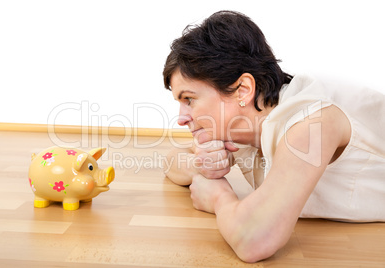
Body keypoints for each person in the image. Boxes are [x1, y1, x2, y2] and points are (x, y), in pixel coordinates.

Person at [162, 10, 385, 263]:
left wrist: (218, 196)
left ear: (242, 90)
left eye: (189, 99)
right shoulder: (242, 124)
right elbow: (171, 160)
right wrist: (202, 164)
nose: (181, 118)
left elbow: (255, 239)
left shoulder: (313, 123)